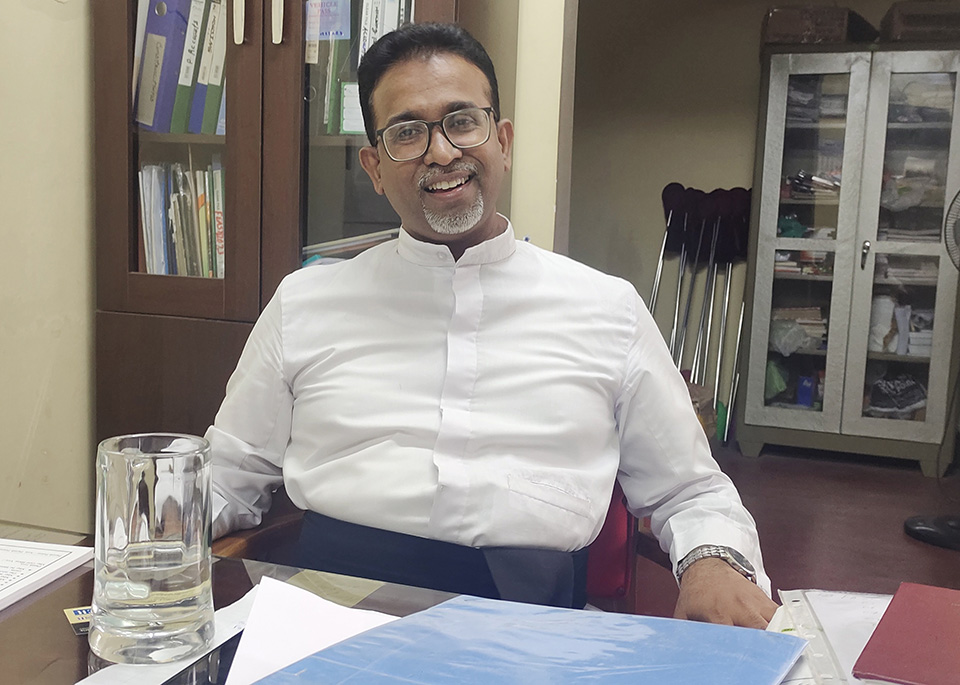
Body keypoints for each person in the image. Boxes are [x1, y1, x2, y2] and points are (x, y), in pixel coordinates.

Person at [209, 22, 778, 627]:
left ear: (502, 140)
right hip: (328, 618)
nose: (442, 152)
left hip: (529, 629)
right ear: (374, 168)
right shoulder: (305, 302)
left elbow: (689, 489)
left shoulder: (606, 309)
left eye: (462, 121)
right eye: (407, 133)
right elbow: (229, 473)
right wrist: (141, 526)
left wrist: (714, 563)